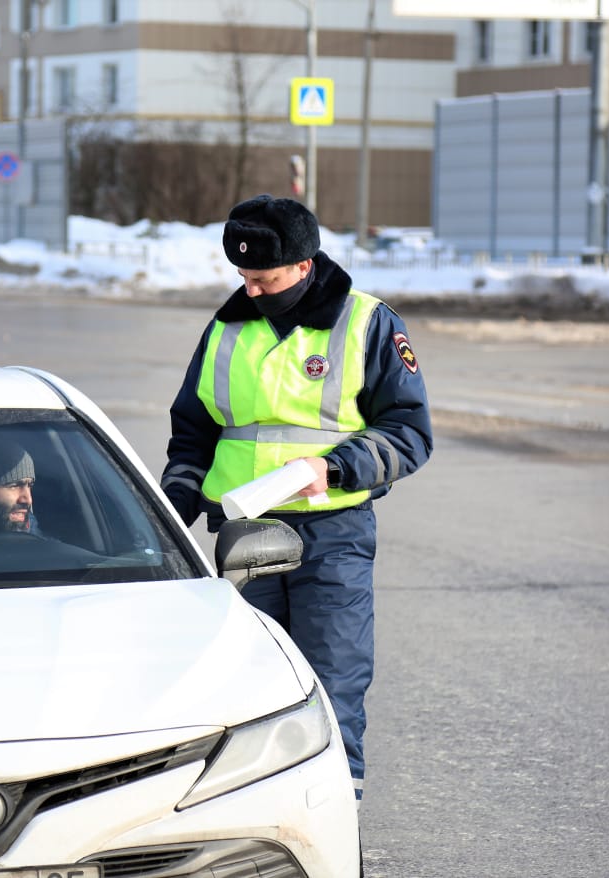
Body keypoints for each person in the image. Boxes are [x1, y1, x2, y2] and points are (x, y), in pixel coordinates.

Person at [160, 194, 433, 804]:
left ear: (305, 266)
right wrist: (173, 504)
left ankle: (334, 814)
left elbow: (410, 434)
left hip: (332, 532)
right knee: (248, 686)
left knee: (332, 679)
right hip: (242, 537)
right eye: (243, 278)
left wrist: (334, 468)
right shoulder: (227, 328)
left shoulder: (368, 323)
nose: (251, 291)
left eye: (266, 278)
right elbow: (193, 431)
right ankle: (257, 816)